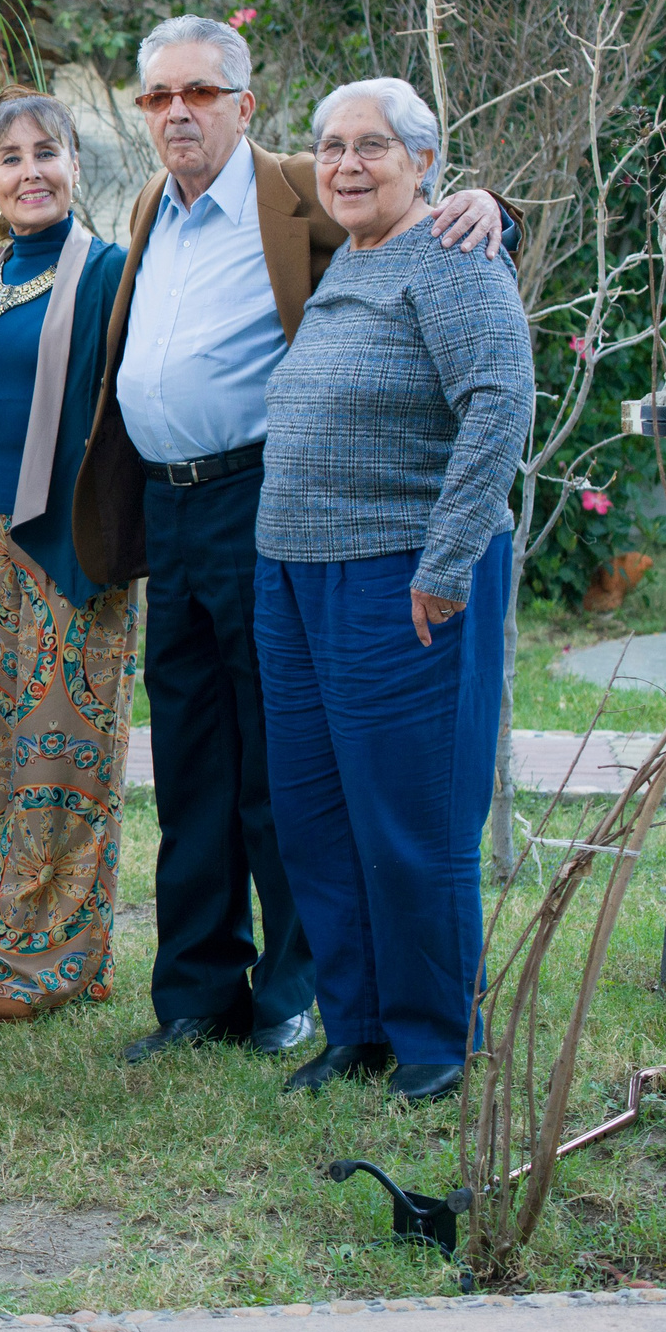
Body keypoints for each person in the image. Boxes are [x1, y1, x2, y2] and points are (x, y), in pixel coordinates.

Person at [72, 14, 511, 1066]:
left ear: (242, 103)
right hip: (220, 534)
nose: (177, 111)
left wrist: (494, 203)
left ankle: (343, 1012)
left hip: (326, 530)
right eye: (158, 96)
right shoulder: (159, 208)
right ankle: (236, 1005)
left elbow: (472, 328)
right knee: (231, 779)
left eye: (200, 93)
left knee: (337, 795)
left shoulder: (320, 199)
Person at [257, 79, 533, 1103]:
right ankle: (357, 1028)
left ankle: (435, 1040)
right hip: (290, 575)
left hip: (401, 576)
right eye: (330, 147)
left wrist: (447, 558)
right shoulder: (349, 258)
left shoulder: (454, 257)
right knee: (318, 816)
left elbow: (499, 401)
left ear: (423, 160)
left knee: (410, 817)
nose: (345, 165)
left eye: (371, 146)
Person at [0, 88, 137, 1025]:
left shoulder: (109, 274)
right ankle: (28, 945)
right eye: (9, 159)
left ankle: (45, 960)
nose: (30, 172)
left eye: (46, 153)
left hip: (71, 543)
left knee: (70, 755)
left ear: (75, 165)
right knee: (7, 753)